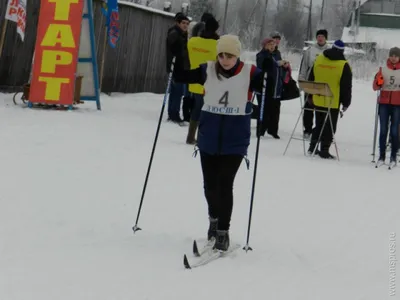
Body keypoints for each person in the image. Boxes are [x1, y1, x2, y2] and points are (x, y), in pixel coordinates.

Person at [176, 35, 265, 251]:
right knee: (209, 186)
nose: (225, 60)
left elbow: (280, 91)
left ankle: (223, 232)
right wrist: (178, 57)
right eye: (221, 55)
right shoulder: (207, 70)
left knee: (224, 185)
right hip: (208, 138)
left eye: (230, 56)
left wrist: (279, 75)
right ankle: (213, 222)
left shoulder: (250, 73)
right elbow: (180, 76)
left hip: (235, 141)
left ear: (237, 55)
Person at [308, 40, 352, 159]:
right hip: (333, 100)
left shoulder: (319, 59)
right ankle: (324, 150)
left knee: (319, 123)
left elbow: (311, 78)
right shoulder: (343, 65)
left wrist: (310, 95)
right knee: (330, 126)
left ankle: (312, 147)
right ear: (342, 51)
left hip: (318, 97)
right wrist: (346, 103)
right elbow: (346, 86)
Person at [185, 16, 219, 144]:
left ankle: (191, 135)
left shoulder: (192, 42)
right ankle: (200, 137)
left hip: (194, 81)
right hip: (210, 82)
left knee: (196, 109)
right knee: (205, 111)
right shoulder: (217, 44)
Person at [298, 29, 330, 139]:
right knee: (308, 107)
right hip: (310, 83)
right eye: (318, 36)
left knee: (321, 108)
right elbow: (304, 67)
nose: (320, 38)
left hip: (323, 84)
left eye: (322, 36)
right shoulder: (310, 51)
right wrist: (301, 81)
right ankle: (307, 130)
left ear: (326, 38)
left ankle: (319, 130)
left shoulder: (330, 51)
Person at [256, 37, 290, 139]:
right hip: (265, 86)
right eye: (269, 44)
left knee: (275, 110)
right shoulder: (261, 55)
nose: (272, 46)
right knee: (264, 108)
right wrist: (277, 63)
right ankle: (261, 130)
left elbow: (279, 69)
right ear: (264, 45)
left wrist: (284, 66)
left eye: (273, 44)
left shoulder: (277, 54)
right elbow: (263, 66)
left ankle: (273, 130)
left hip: (277, 86)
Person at [372, 47, 400, 166]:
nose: (393, 58)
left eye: (396, 56)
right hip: (384, 103)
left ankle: (393, 156)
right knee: (383, 130)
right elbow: (375, 87)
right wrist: (378, 81)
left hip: (397, 104)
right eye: (391, 55)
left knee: (394, 131)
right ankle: (382, 156)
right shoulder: (382, 70)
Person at [165, 14, 190, 124]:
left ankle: (172, 113)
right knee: (178, 92)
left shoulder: (181, 34)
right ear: (178, 23)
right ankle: (174, 114)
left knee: (176, 91)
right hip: (176, 66)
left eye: (187, 24)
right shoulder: (175, 33)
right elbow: (175, 49)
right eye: (183, 23)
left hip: (179, 66)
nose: (185, 25)